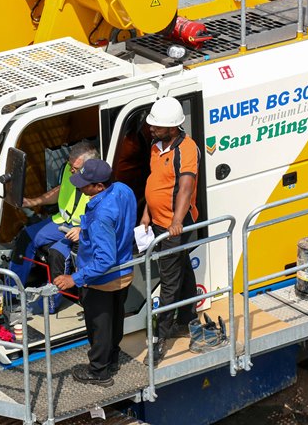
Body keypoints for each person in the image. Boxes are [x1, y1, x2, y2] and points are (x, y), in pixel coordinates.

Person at [54, 159, 137, 387]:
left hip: (101, 280)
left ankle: (99, 372)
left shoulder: (101, 214)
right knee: (115, 320)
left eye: (85, 185)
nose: (80, 188)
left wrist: (73, 278)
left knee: (99, 326)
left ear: (99, 186)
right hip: (124, 271)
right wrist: (85, 229)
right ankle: (111, 359)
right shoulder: (123, 190)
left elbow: (104, 260)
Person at [141, 96, 200, 365]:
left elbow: (185, 188)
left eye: (157, 126)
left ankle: (159, 339)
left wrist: (176, 222)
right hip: (157, 221)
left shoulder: (186, 150)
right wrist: (146, 213)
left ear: (172, 127)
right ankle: (188, 318)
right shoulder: (157, 147)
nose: (151, 128)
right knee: (182, 269)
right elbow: (154, 182)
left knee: (169, 278)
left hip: (173, 226)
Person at [10, 141, 99, 308]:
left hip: (82, 230)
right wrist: (33, 202)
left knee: (57, 253)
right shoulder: (70, 168)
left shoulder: (99, 182)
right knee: (27, 236)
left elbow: (102, 214)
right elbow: (61, 190)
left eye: (76, 168)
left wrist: (81, 229)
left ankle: (51, 304)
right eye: (70, 165)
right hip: (62, 221)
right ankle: (11, 292)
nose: (72, 170)